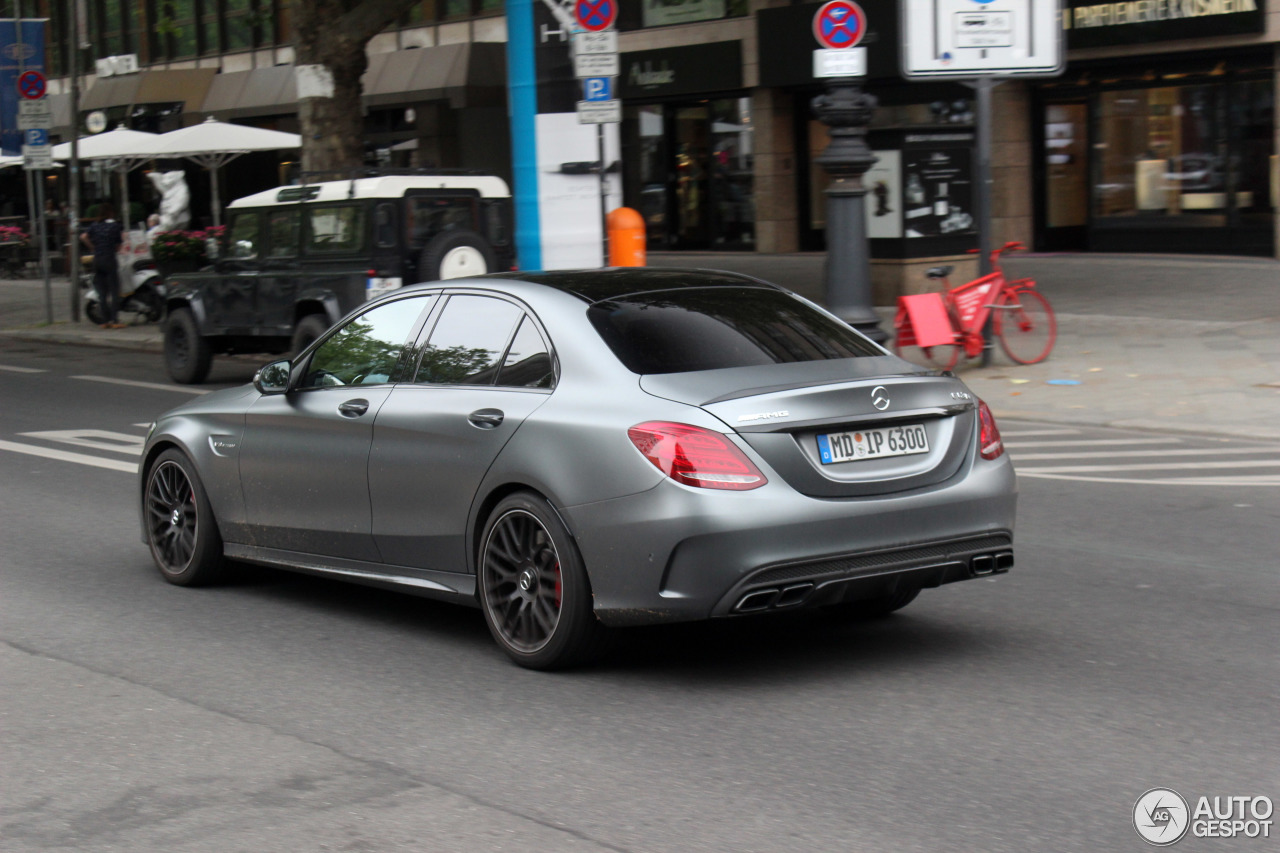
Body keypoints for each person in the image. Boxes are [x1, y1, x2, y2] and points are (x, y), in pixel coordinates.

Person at [80, 203, 124, 329]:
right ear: (110, 213)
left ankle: (104, 321)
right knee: (114, 291)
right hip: (109, 259)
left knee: (102, 293)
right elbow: (118, 245)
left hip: (97, 259)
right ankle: (115, 320)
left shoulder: (94, 226)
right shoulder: (115, 226)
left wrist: (93, 247)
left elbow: (83, 236)